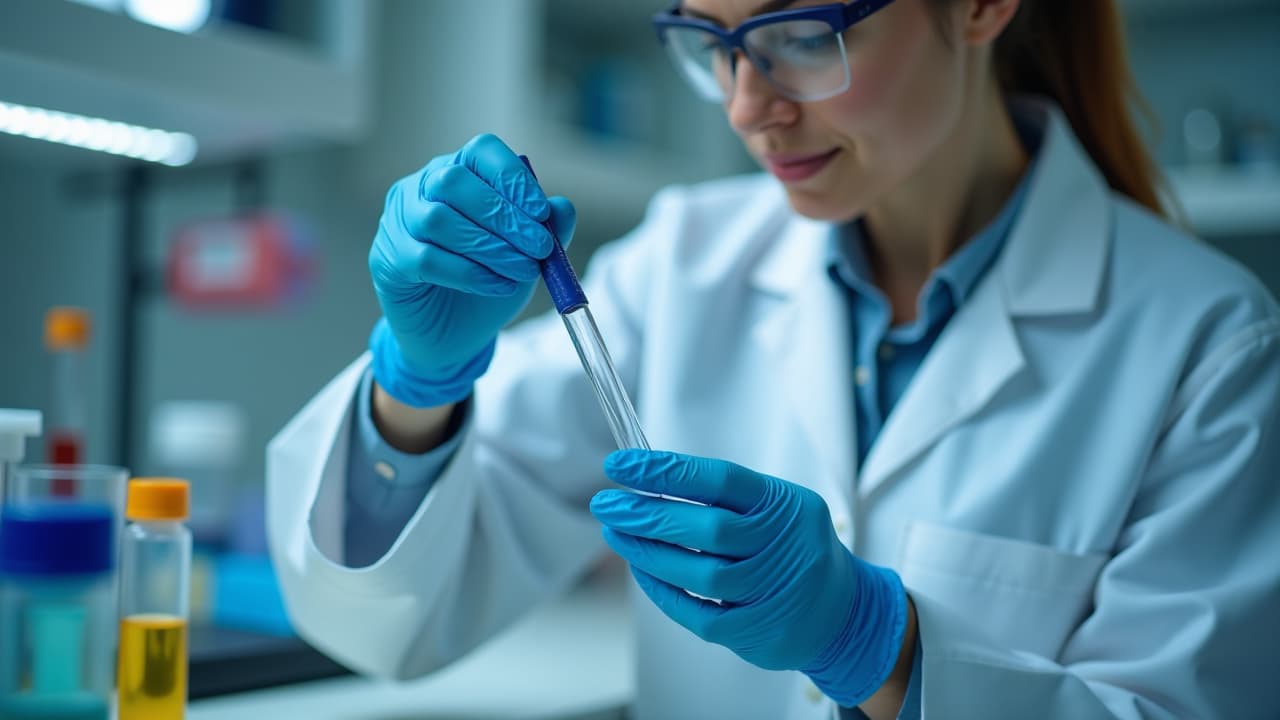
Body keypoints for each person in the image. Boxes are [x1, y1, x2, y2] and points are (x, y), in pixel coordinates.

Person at [266, 0, 1280, 717]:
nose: (747, 105)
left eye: (801, 34)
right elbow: (390, 627)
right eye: (708, 40)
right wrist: (414, 387)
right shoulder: (678, 266)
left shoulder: (1206, 342)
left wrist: (881, 650)